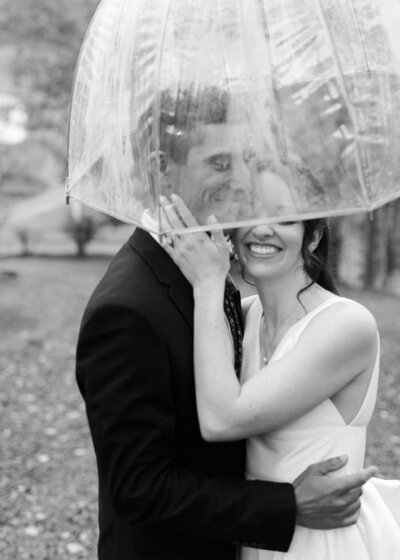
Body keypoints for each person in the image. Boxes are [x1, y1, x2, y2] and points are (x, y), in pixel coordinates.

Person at [75, 89, 376, 560]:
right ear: (161, 165)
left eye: (245, 160)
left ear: (313, 235)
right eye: (219, 163)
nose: (238, 181)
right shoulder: (130, 308)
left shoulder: (213, 280)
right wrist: (286, 505)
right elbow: (138, 487)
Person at [161, 192, 400, 559]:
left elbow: (222, 419)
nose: (262, 230)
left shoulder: (347, 325)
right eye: (249, 216)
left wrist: (208, 284)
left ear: (314, 236)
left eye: (285, 219)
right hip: (260, 532)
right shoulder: (243, 317)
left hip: (323, 542)